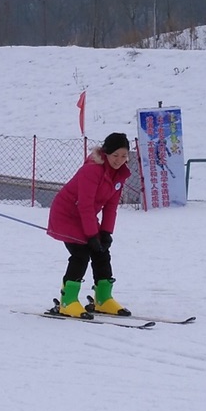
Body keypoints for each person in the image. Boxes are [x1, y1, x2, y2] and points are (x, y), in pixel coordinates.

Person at [46, 131, 133, 316]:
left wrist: (105, 233)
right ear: (106, 153)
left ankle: (103, 299)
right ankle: (67, 301)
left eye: (124, 156)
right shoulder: (92, 170)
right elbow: (85, 204)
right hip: (67, 214)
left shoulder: (119, 175)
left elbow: (111, 207)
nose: (119, 160)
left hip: (85, 216)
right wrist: (92, 235)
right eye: (115, 155)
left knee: (101, 251)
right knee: (81, 254)